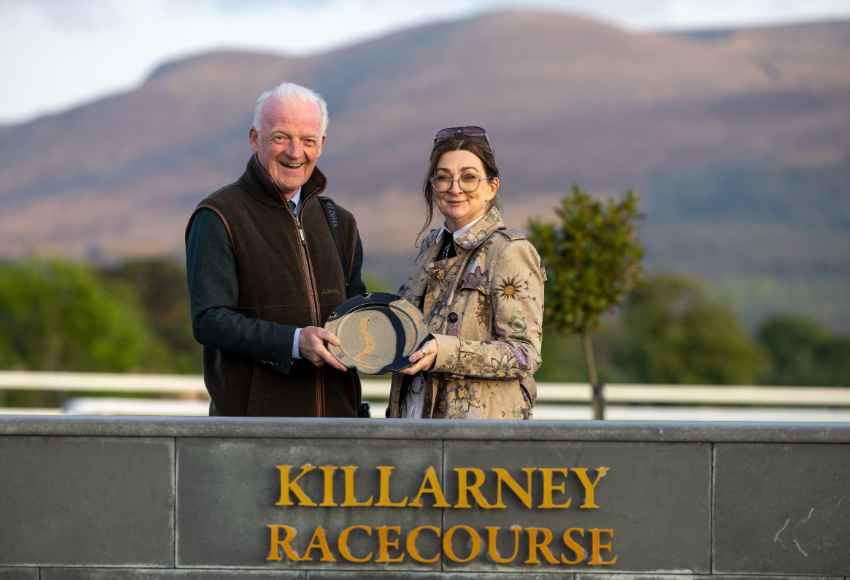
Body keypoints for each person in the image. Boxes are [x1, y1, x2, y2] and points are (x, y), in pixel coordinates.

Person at [185, 82, 366, 417]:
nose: (295, 152)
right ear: (255, 139)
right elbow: (209, 320)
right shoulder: (218, 216)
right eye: (281, 137)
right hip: (255, 430)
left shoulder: (340, 221)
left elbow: (356, 313)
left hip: (339, 426)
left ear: (321, 145)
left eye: (308, 140)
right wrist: (294, 342)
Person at [387, 126, 545, 419]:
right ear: (433, 185)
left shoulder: (509, 252)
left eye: (469, 177)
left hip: (479, 436)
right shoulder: (430, 246)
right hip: (414, 422)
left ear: (492, 186)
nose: (455, 188)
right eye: (443, 177)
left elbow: (524, 355)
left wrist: (443, 352)